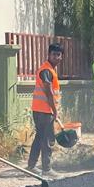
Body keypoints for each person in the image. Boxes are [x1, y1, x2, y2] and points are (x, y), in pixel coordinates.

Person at [27, 41, 66, 174]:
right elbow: (49, 92)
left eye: (58, 55)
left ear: (61, 57)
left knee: (39, 138)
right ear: (49, 55)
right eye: (53, 54)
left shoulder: (50, 70)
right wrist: (55, 111)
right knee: (47, 140)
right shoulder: (46, 70)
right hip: (44, 111)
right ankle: (47, 169)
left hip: (40, 110)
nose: (56, 57)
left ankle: (31, 166)